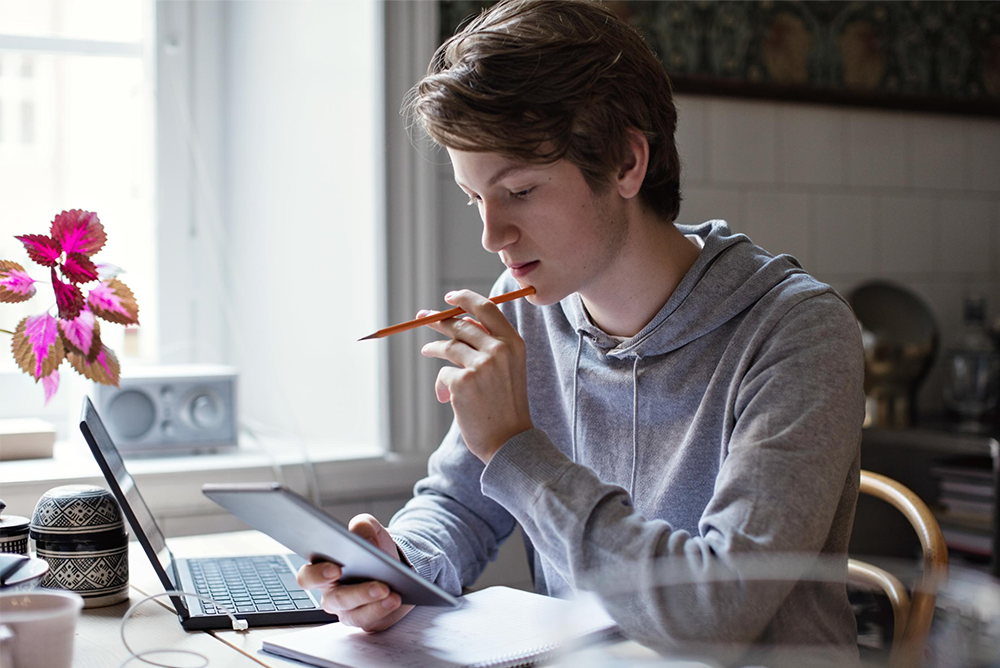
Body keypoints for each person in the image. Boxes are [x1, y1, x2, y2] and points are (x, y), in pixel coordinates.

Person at [298, 0, 864, 664]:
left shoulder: (798, 331)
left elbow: (715, 612)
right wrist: (396, 563)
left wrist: (514, 448)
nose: (491, 235)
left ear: (626, 162)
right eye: (475, 197)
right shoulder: (526, 310)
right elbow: (460, 505)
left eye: (521, 190)